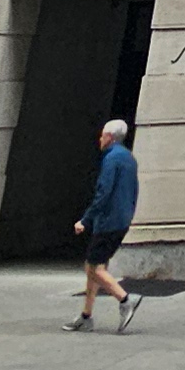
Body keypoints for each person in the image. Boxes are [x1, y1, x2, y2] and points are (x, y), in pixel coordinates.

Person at [72, 118, 139, 330]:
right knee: (96, 265)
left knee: (93, 268)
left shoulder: (111, 160)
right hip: (122, 219)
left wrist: (86, 219)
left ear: (109, 137)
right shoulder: (129, 158)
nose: (100, 139)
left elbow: (104, 192)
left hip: (108, 221)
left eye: (102, 135)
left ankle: (125, 300)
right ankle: (86, 315)